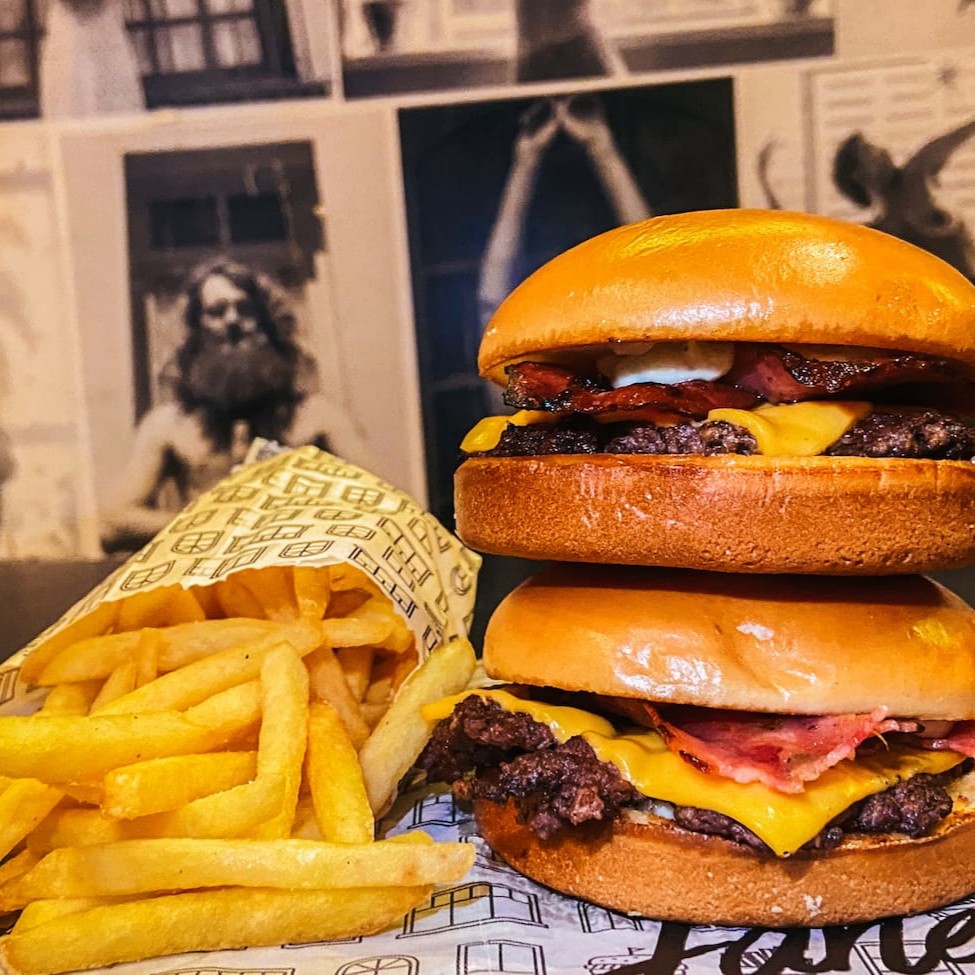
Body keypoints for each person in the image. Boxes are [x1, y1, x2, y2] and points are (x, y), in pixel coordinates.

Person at [101, 259, 366, 550]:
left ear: (266, 322)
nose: (232, 321)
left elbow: (390, 505)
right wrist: (213, 525)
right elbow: (113, 522)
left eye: (245, 309)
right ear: (197, 329)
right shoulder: (168, 424)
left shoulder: (318, 417)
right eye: (216, 312)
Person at [831, 122, 975, 279]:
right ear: (859, 175)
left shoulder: (878, 233)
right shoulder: (912, 184)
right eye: (871, 151)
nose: (884, 151)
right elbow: (935, 150)